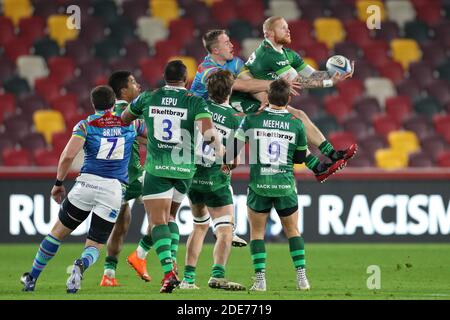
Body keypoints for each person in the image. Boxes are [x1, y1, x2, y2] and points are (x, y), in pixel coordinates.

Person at [20, 86, 146, 293]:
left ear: (93, 104)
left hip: (86, 185)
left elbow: (68, 156)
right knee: (95, 244)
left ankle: (32, 277)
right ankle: (80, 265)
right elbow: (152, 138)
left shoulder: (86, 125)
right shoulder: (130, 124)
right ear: (114, 103)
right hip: (113, 190)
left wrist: (58, 184)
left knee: (57, 233)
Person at [121, 60, 222, 293]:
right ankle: (167, 264)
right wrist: (220, 150)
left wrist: (149, 129)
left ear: (164, 77)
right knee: (171, 219)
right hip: (185, 169)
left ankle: (168, 272)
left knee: (158, 222)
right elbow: (207, 131)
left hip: (157, 169)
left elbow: (125, 118)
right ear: (186, 80)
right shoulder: (195, 101)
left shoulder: (148, 97)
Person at [231, 17, 358, 181]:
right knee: (291, 121)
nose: (288, 30)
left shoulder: (287, 54)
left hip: (261, 99)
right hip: (244, 102)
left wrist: (336, 75)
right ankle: (320, 166)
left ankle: (331, 156)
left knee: (298, 116)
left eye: (287, 27)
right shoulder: (268, 54)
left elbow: (312, 75)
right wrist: (330, 82)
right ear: (269, 34)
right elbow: (299, 81)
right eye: (283, 28)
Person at [232, 78, 311, 291]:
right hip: (284, 184)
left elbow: (233, 150)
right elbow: (300, 157)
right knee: (293, 231)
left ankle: (260, 281)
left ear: (267, 96)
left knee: (256, 234)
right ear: (289, 98)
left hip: (259, 185)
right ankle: (302, 277)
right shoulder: (296, 123)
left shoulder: (251, 119)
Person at [179, 70, 245, 291]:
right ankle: (217, 275)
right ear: (230, 90)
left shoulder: (198, 108)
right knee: (225, 229)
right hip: (217, 181)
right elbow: (233, 160)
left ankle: (188, 280)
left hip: (193, 178)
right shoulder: (236, 119)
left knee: (199, 227)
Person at [100, 71, 154, 286]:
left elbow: (139, 139)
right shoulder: (130, 113)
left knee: (121, 224)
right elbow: (150, 135)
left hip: (112, 179)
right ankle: (141, 254)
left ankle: (108, 274)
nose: (138, 85)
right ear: (123, 90)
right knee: (166, 214)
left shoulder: (108, 114)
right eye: (133, 82)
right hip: (133, 179)